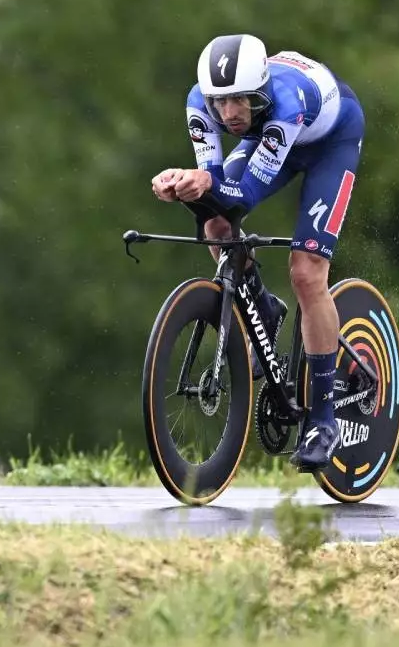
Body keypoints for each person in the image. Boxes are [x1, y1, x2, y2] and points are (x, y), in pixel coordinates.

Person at [148, 32, 368, 473]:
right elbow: (214, 193)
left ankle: (323, 422)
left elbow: (242, 195)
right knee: (215, 225)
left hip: (330, 143)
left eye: (240, 101)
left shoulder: (285, 102)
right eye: (220, 102)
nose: (228, 114)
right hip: (269, 136)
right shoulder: (200, 103)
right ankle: (263, 310)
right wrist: (178, 185)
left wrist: (205, 184)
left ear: (260, 92)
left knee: (306, 272)